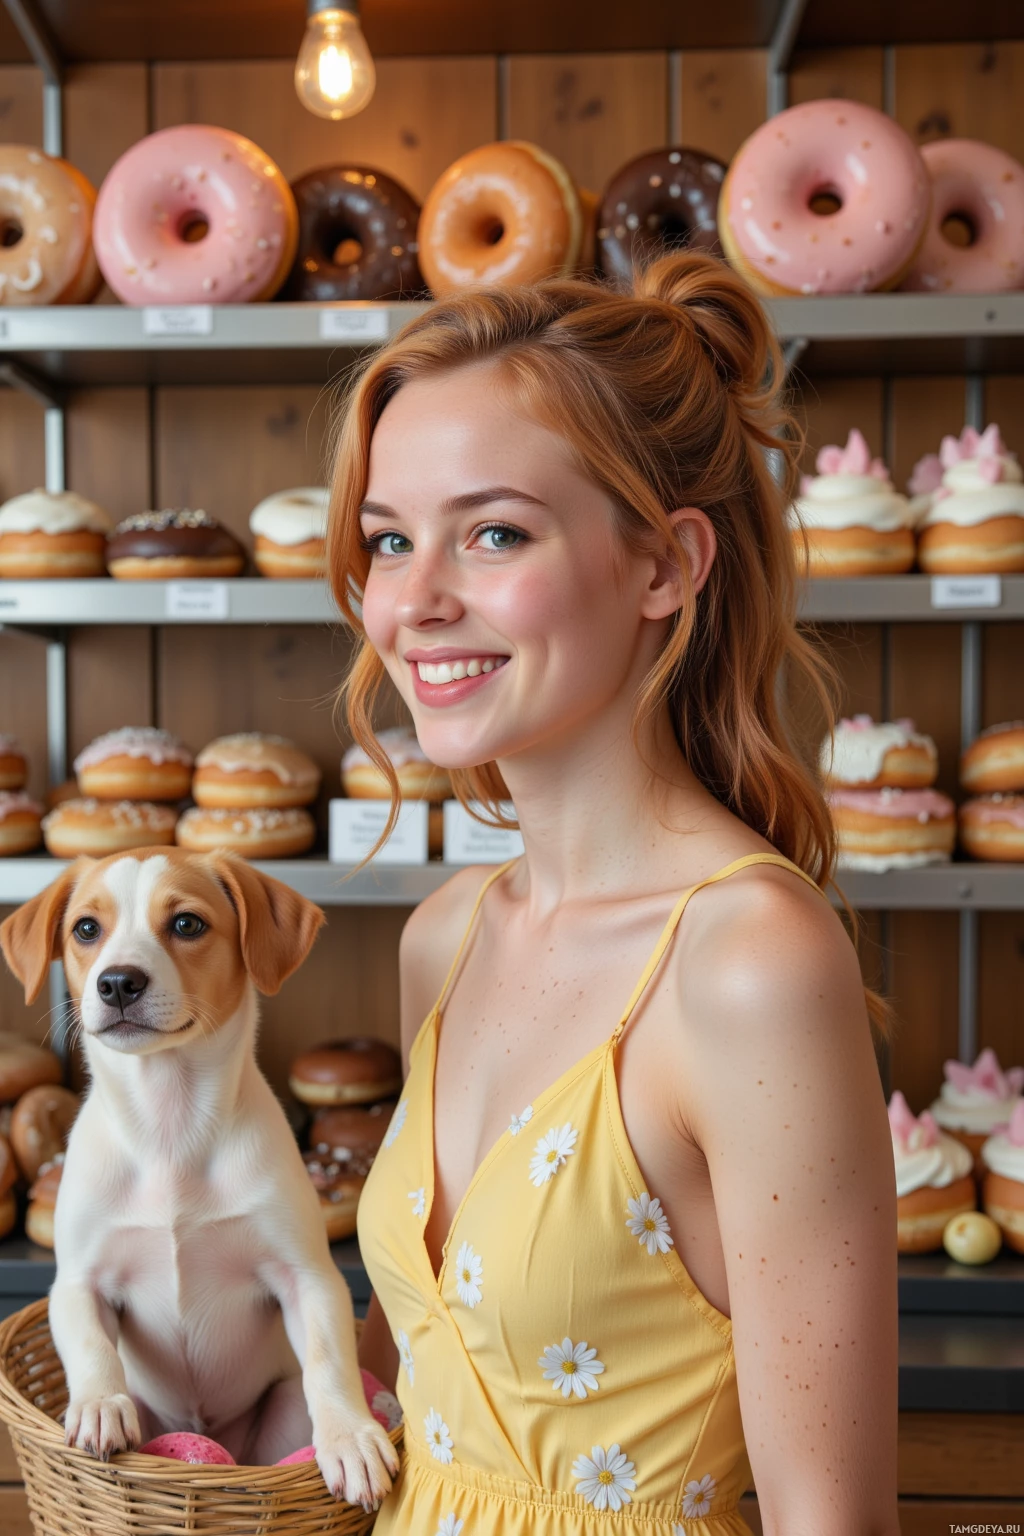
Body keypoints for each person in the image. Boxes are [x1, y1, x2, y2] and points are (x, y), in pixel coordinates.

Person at [327, 253, 899, 1535]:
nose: (411, 602)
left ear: (663, 567)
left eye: (493, 532)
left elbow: (833, 1521)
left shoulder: (747, 960)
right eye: (386, 541)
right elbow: (423, 1380)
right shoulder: (447, 938)